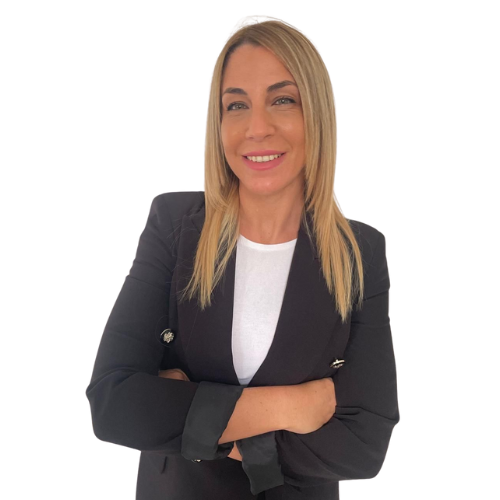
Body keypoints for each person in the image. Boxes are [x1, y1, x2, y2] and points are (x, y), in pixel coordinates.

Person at [85, 17, 400, 500]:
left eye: (282, 100)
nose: (257, 128)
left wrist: (186, 411)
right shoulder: (174, 225)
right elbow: (113, 404)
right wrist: (291, 406)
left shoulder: (359, 253)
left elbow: (364, 445)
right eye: (236, 105)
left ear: (316, 114)